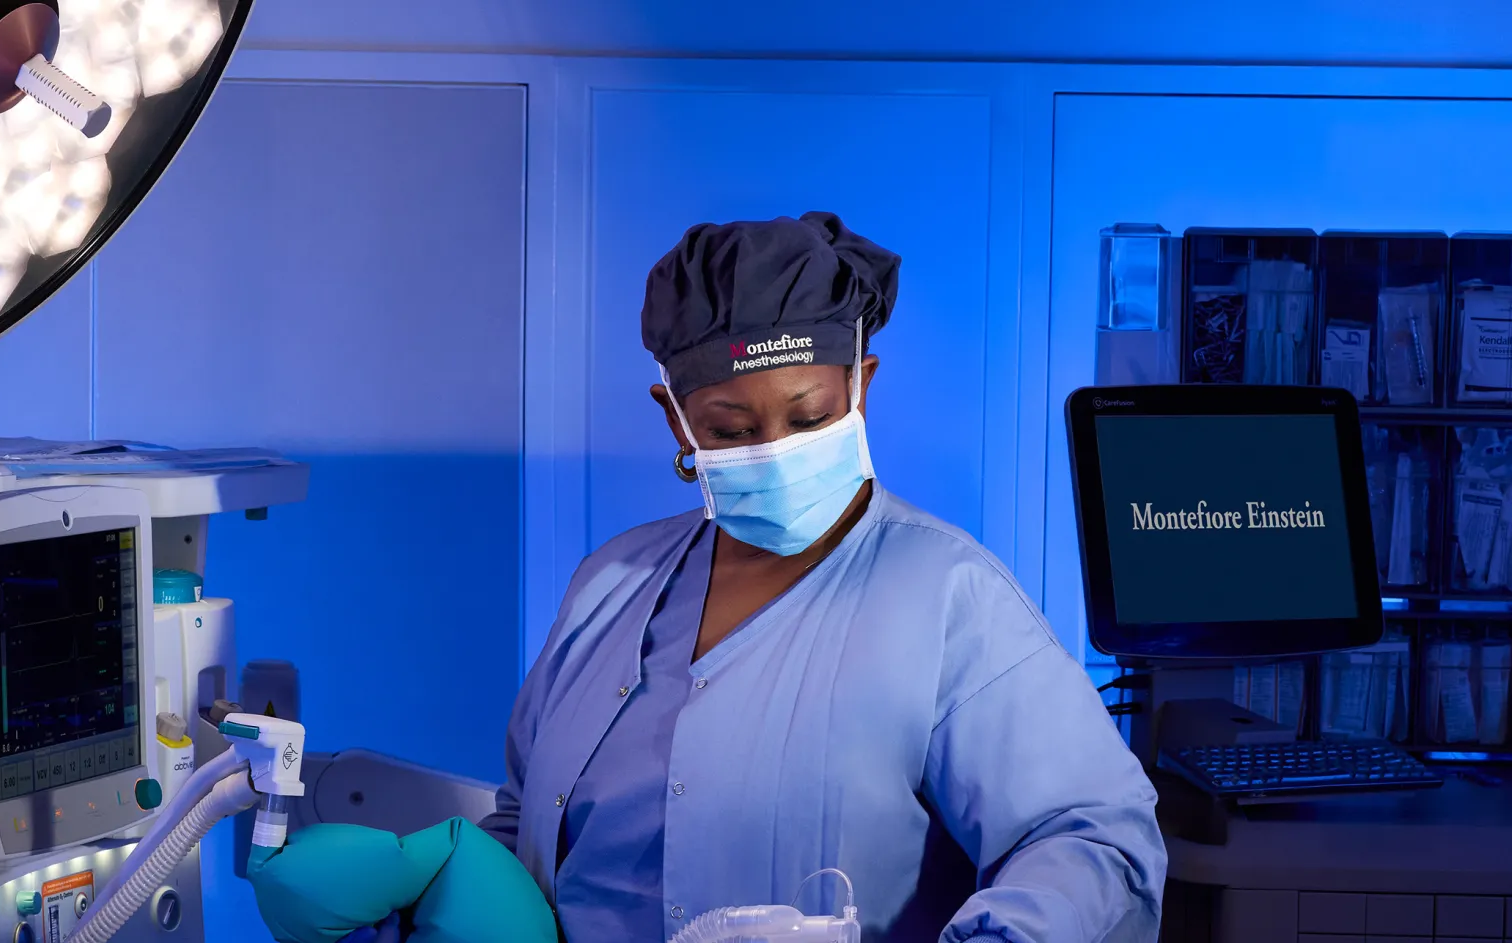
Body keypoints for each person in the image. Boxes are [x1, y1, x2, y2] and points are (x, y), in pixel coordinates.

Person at [478, 212, 1166, 942]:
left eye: (809, 418)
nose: (775, 451)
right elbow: (527, 820)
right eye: (732, 431)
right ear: (677, 421)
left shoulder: (947, 596)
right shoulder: (608, 585)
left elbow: (1092, 839)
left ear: (859, 385)